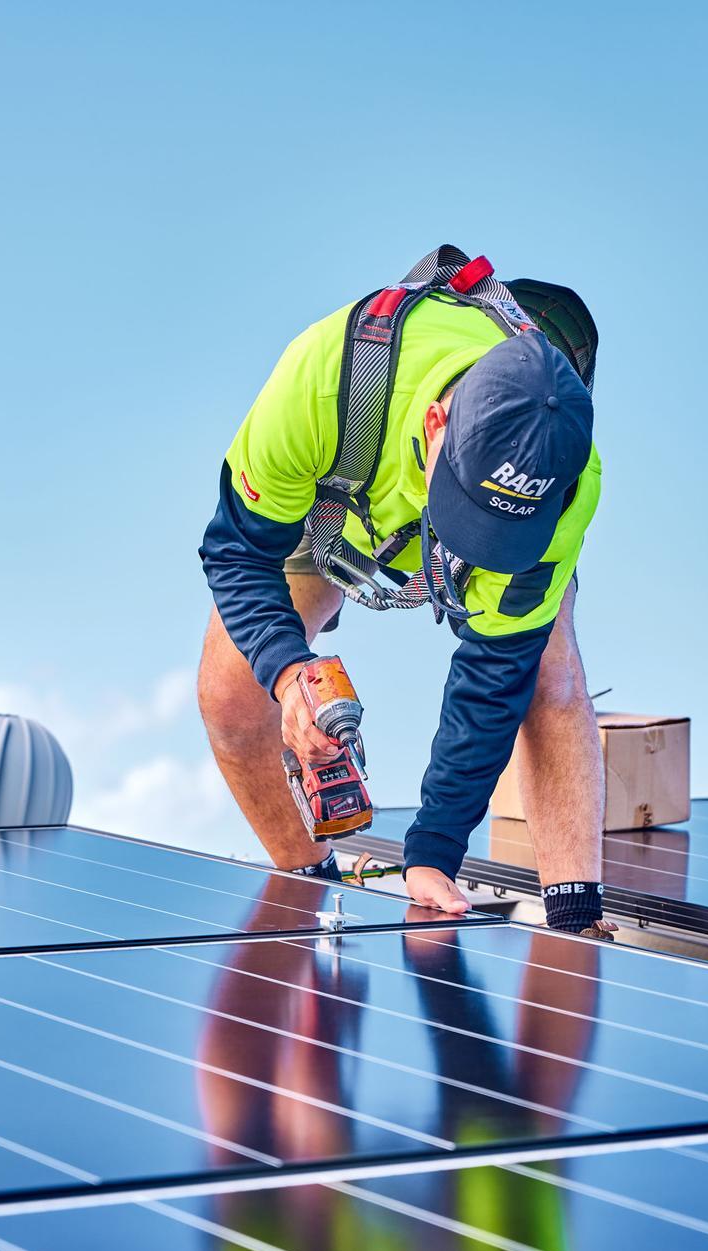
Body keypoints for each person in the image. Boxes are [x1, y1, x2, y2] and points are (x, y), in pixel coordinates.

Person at [197, 246, 614, 936]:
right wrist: (289, 672)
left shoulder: (570, 488)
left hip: (478, 481)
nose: (465, 553)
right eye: (464, 517)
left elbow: (494, 674)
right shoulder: (317, 386)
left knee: (549, 672)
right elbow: (237, 553)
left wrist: (434, 850)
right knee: (231, 691)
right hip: (343, 489)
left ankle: (576, 927)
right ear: (435, 425)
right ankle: (312, 891)